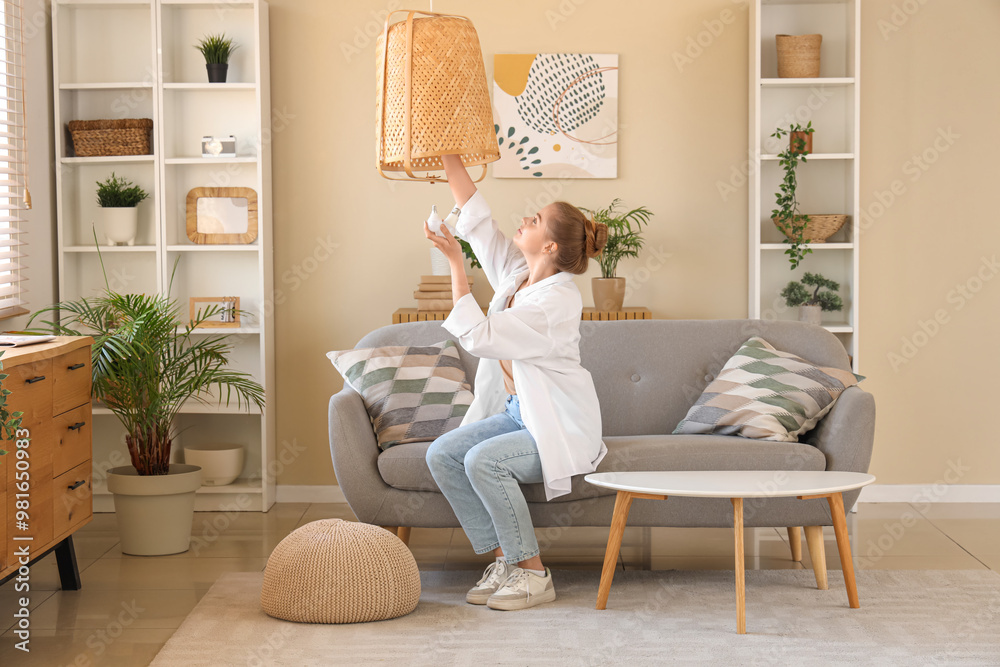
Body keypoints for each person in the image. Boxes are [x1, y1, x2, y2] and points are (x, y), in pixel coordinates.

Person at [423, 153, 609, 611]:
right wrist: (449, 154)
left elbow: (480, 337)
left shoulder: (555, 300)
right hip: (516, 414)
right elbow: (478, 220)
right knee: (443, 454)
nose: (526, 218)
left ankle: (534, 574)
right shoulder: (519, 275)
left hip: (557, 425)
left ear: (550, 247)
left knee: (483, 462)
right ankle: (506, 560)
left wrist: (454, 263)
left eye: (538, 219)